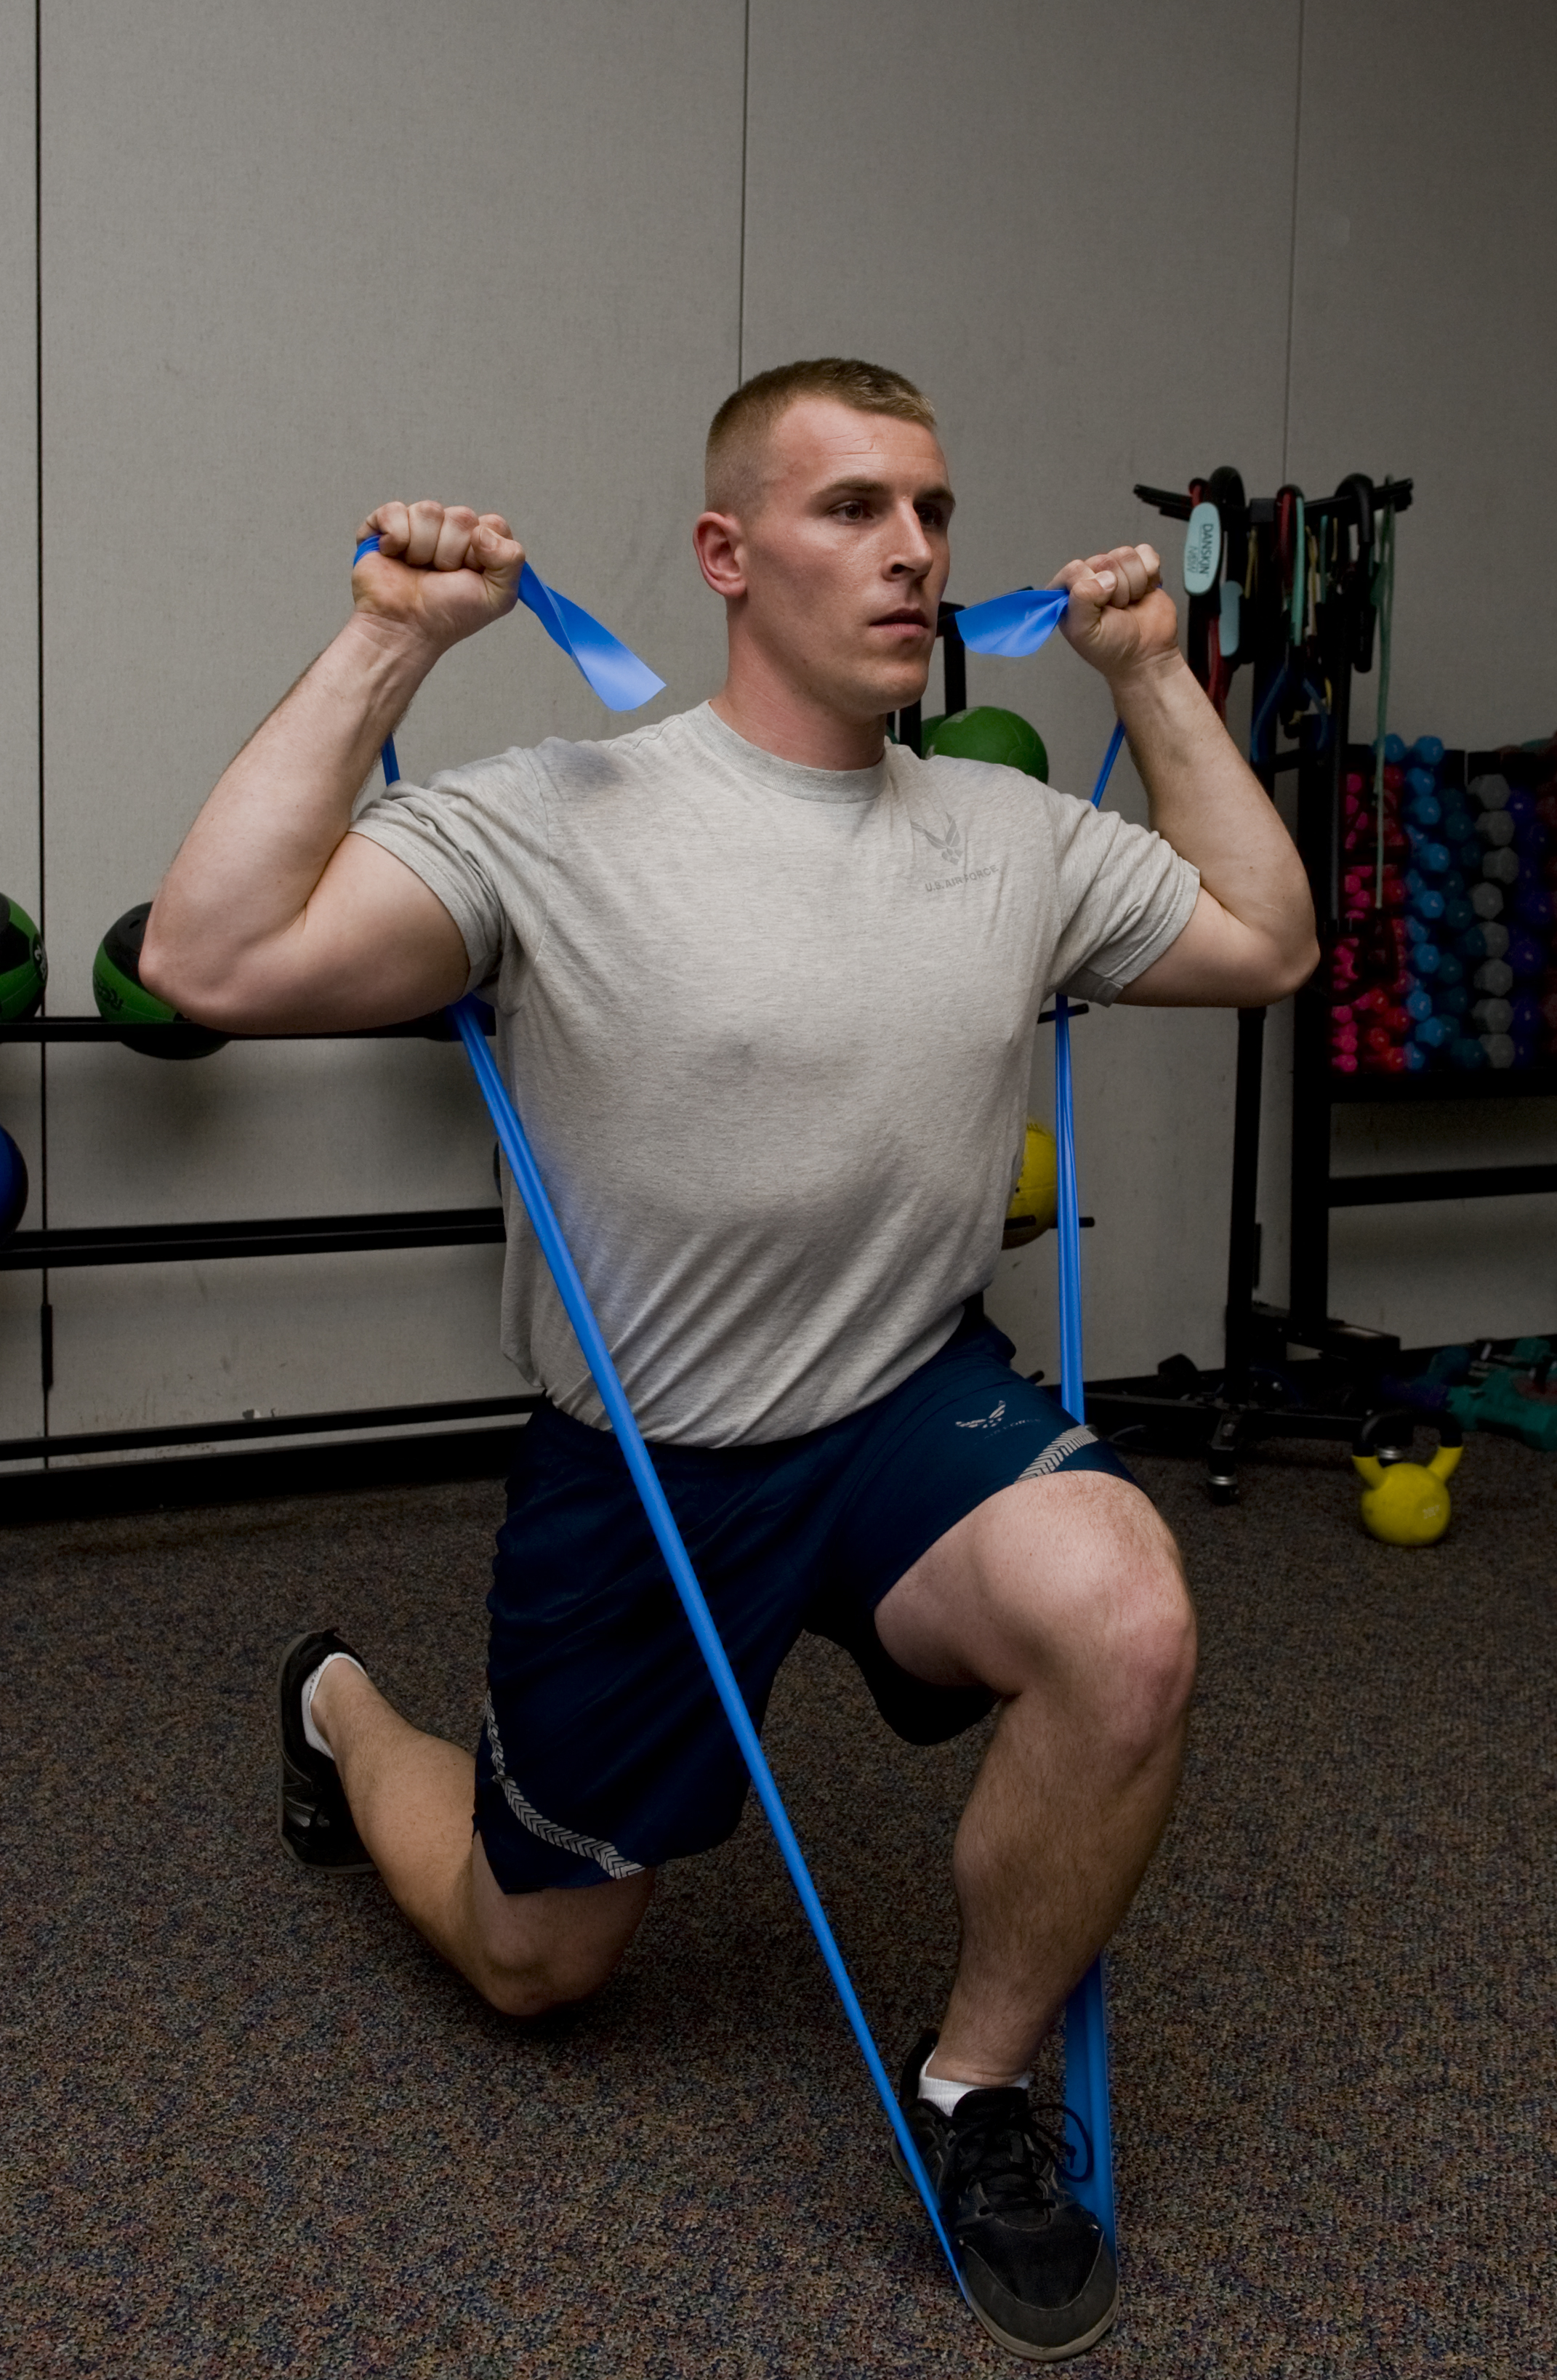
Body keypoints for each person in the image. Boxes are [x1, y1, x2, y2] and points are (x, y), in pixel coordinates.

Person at [142, 358, 1316, 2362]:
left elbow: (1266, 940)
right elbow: (208, 957)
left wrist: (1149, 676)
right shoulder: (562, 818)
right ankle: (338, 1706)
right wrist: (391, 641)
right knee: (536, 1962)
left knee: (1131, 1616)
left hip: (904, 1406)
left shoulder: (1012, 835)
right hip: (651, 1461)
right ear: (726, 554)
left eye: (933, 511)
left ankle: (975, 2091)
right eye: (854, 508)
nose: (914, 551)